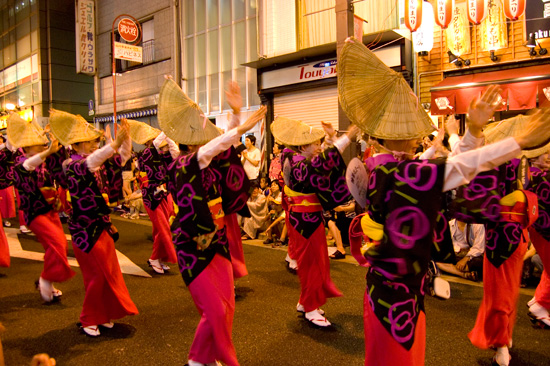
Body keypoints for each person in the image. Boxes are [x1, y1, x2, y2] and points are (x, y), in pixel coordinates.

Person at [339, 38, 550, 366]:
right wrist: (514, 142)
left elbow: (442, 174)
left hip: (399, 291)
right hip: (394, 298)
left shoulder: (384, 168)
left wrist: (473, 134)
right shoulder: (394, 173)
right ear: (398, 134)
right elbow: (451, 172)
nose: (414, 136)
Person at [156, 77, 266, 366]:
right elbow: (212, 149)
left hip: (216, 241)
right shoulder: (182, 163)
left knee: (226, 305)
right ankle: (198, 360)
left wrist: (236, 115)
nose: (208, 139)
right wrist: (240, 127)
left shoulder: (208, 159)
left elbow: (222, 151)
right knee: (215, 309)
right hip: (193, 243)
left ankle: (200, 359)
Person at [49, 110, 138, 337]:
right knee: (97, 276)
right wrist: (112, 145)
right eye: (90, 140)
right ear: (78, 144)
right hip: (84, 230)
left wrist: (125, 137)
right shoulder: (72, 164)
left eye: (94, 141)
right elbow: (91, 162)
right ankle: (88, 317)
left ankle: (103, 314)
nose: (94, 143)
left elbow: (123, 158)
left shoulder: (95, 161)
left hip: (101, 226)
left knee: (109, 273)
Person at [271, 115, 359, 327]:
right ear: (302, 146)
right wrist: (345, 138)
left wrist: (330, 140)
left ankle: (305, 301)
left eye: (320, 143)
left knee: (314, 262)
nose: (319, 146)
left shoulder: (291, 156)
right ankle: (310, 308)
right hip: (304, 220)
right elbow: (319, 165)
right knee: (311, 264)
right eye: (315, 143)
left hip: (306, 217)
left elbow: (319, 163)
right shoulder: (297, 162)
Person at [7, 113, 76, 302]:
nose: (43, 145)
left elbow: (62, 175)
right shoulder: (21, 162)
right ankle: (45, 279)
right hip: (35, 213)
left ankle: (48, 281)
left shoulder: (45, 161)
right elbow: (27, 167)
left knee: (53, 248)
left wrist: (59, 148)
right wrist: (47, 152)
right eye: (39, 143)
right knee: (58, 245)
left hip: (50, 209)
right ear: (28, 147)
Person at [128, 119, 177, 274]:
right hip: (152, 197)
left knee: (160, 230)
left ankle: (159, 258)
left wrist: (169, 136)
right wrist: (167, 130)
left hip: (163, 195)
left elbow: (175, 153)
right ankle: (154, 258)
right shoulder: (147, 153)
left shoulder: (161, 154)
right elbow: (158, 144)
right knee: (163, 229)